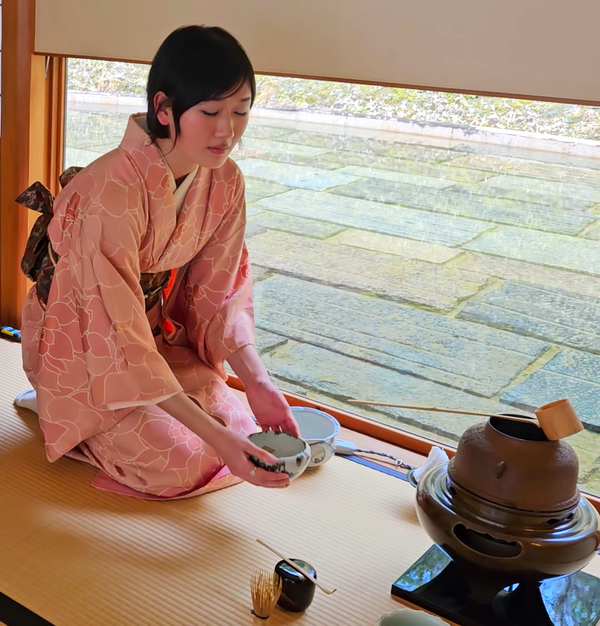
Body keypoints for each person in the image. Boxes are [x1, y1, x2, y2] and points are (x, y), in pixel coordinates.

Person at [14, 25, 300, 500]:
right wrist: (216, 439)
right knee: (185, 461)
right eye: (210, 112)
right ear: (165, 108)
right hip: (81, 346)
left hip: (144, 338)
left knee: (240, 424)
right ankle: (52, 403)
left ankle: (176, 421)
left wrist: (259, 382)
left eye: (241, 112)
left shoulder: (225, 183)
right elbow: (109, 333)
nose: (226, 130)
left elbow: (219, 294)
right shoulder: (112, 191)